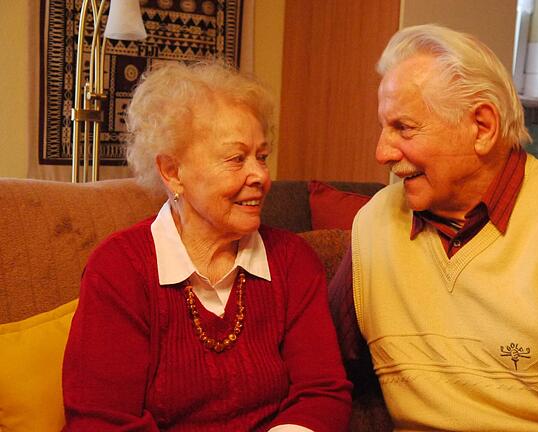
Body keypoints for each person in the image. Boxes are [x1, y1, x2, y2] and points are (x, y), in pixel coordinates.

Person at [329, 24, 538, 431]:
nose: (381, 152)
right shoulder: (374, 225)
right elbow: (321, 372)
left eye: (404, 128)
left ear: (483, 127)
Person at [62, 61, 351, 431]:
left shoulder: (293, 262)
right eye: (236, 159)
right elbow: (100, 421)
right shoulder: (120, 269)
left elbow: (322, 393)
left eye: (262, 157)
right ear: (172, 172)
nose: (261, 176)